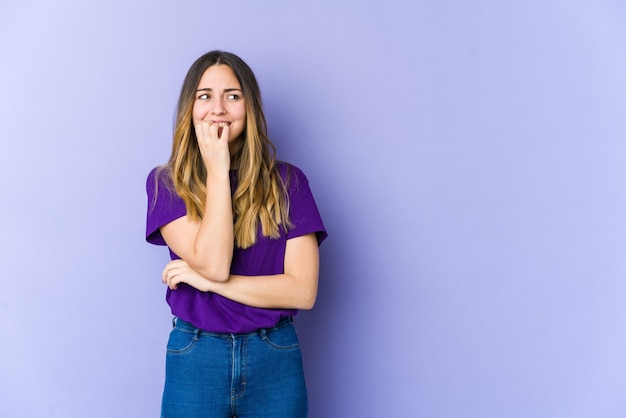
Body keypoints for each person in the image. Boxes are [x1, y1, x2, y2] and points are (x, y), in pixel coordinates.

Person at [145, 50, 327, 418]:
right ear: (190, 108)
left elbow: (302, 292)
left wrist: (210, 284)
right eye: (204, 96)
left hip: (274, 353)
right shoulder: (168, 184)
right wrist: (217, 169)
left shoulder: (288, 182)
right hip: (197, 354)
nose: (219, 108)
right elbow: (214, 263)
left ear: (250, 107)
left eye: (233, 95)